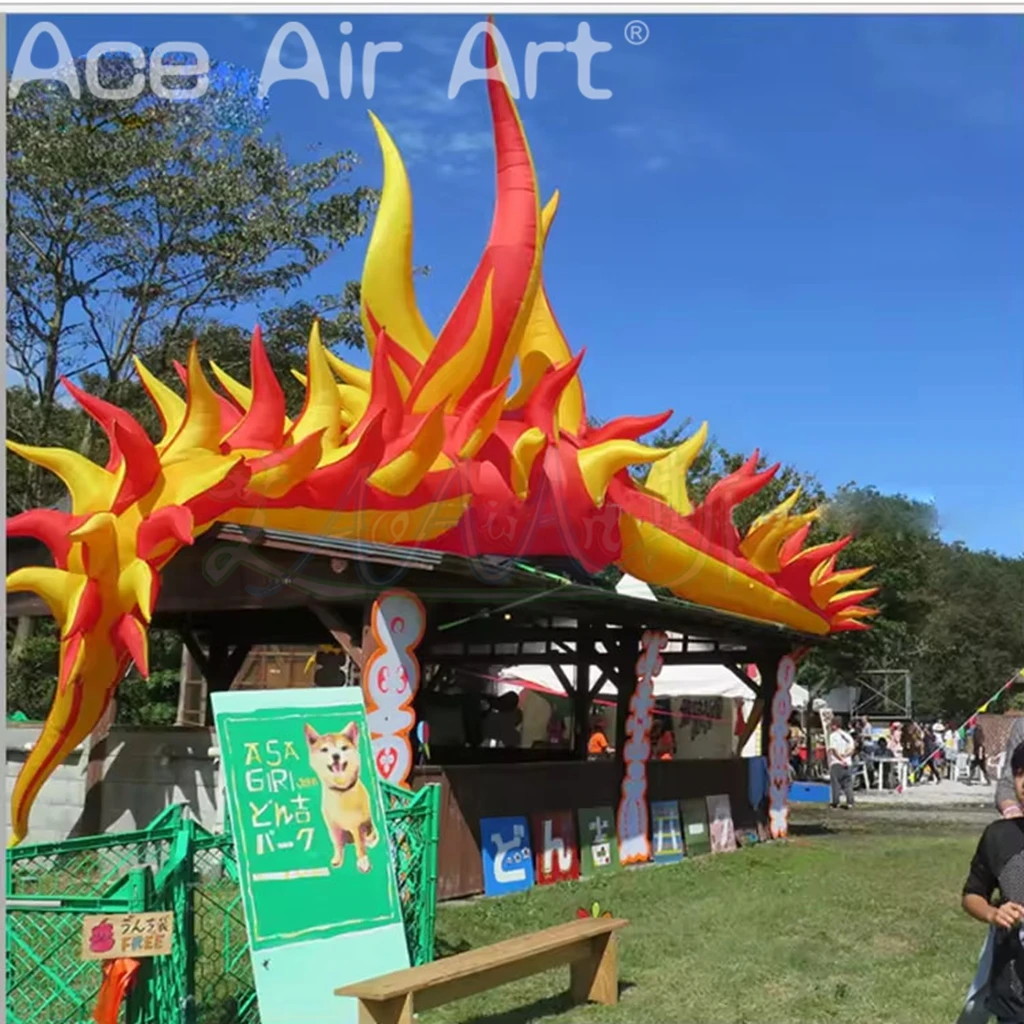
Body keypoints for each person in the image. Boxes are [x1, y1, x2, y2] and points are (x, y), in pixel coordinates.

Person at [961, 742, 1024, 1024]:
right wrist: (993, 913)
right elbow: (972, 894)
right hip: (1013, 993)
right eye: (1021, 773)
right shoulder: (998, 836)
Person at [828, 718, 856, 809]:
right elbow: (852, 749)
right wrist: (846, 756)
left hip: (836, 762)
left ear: (834, 725)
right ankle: (850, 802)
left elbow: (834, 749)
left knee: (836, 783)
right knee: (848, 784)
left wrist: (840, 758)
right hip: (848, 763)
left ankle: (836, 802)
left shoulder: (833, 736)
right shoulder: (847, 736)